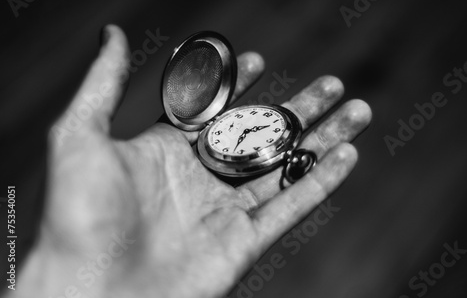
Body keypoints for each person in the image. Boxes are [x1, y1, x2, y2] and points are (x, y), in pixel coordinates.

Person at [8, 25, 372, 298]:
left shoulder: (244, 128)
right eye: (240, 130)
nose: (242, 130)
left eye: (249, 127)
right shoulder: (218, 138)